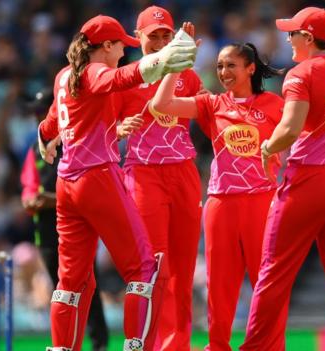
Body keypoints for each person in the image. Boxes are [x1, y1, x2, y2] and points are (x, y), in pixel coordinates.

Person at [37, 14, 196, 351]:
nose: (124, 50)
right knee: (143, 268)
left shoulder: (64, 76)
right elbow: (125, 76)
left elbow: (51, 120)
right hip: (98, 177)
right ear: (105, 46)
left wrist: (44, 138)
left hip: (67, 184)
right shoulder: (94, 71)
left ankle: (61, 348)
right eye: (120, 44)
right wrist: (164, 59)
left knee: (71, 280)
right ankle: (135, 346)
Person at [233, 7, 325, 351]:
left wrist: (267, 147)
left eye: (292, 33)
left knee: (274, 270)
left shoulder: (302, 72)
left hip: (312, 177)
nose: (288, 38)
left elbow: (290, 129)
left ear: (308, 38)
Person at [150, 42, 285, 351]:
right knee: (219, 286)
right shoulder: (211, 104)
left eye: (231, 65)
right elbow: (162, 104)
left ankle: (269, 347)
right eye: (220, 66)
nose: (224, 72)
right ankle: (218, 346)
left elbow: (304, 131)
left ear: (251, 68)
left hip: (262, 201)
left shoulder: (275, 104)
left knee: (268, 284)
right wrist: (175, 64)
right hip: (221, 203)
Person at [114, 6, 204, 350]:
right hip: (144, 175)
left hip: (183, 173)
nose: (162, 41)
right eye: (154, 36)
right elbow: (106, 129)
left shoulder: (189, 76)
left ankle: (177, 344)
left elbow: (205, 113)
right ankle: (147, 343)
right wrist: (120, 128)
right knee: (153, 267)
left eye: (167, 35)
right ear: (138, 38)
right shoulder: (125, 77)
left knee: (183, 269)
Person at [21, 89, 109, 351]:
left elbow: (85, 188)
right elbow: (28, 186)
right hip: (46, 232)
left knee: (86, 287)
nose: (38, 118)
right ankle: (67, 343)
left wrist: (51, 198)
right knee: (61, 290)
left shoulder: (76, 141)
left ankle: (99, 343)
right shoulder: (33, 150)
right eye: (36, 113)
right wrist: (30, 200)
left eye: (41, 112)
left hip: (78, 228)